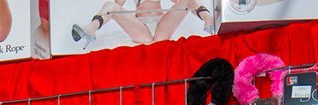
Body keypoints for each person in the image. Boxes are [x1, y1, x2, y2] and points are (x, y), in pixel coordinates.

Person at [71, 0, 215, 49]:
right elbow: (115, 4)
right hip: (141, 28)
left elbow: (182, 2)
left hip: (161, 26)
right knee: (110, 5)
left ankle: (208, 18)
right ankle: (91, 28)